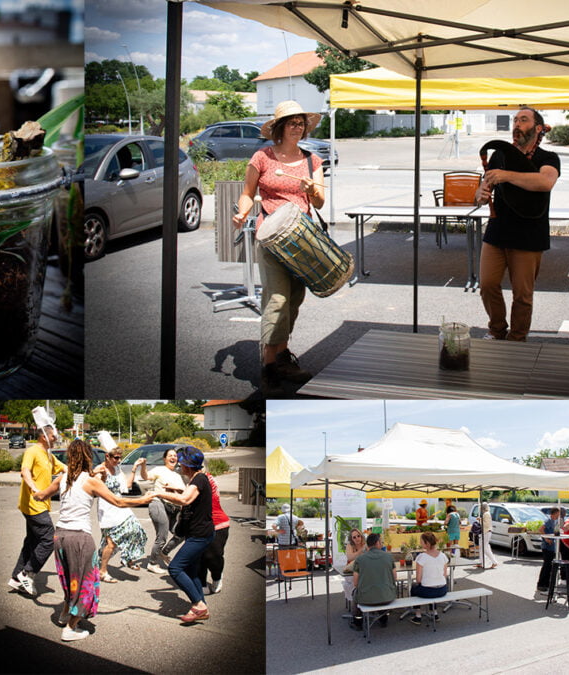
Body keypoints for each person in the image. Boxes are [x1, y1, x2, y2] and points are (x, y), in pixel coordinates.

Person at [231, 100, 325, 393]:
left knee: (294, 300)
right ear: (279, 128)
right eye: (292, 123)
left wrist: (313, 190)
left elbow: (320, 202)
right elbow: (247, 193)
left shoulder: (312, 161)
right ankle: (269, 365)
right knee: (277, 300)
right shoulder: (262, 157)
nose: (298, 128)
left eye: (301, 123)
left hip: (303, 240)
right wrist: (242, 211)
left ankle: (283, 357)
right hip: (271, 237)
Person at [34, 440, 154, 641]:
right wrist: (143, 500)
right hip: (79, 538)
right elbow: (118, 501)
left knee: (70, 579)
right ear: (88, 457)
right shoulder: (90, 481)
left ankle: (65, 613)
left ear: (71, 458)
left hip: (60, 536)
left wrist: (31, 485)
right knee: (85, 583)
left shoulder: (63, 478)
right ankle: (71, 628)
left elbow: (41, 495)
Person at [474, 106, 560, 341]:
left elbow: (545, 181)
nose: (516, 125)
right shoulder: (499, 155)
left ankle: (518, 337)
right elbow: (484, 187)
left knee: (522, 295)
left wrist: (506, 175)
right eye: (515, 120)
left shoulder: (548, 158)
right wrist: (480, 194)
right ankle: (497, 330)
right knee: (488, 285)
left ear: (538, 128)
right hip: (497, 231)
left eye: (523, 120)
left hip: (529, 234)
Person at [155, 446, 216, 623]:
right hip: (197, 534)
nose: (180, 466)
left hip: (200, 535)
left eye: (181, 463)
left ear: (188, 465)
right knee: (192, 571)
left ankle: (198, 604)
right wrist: (176, 489)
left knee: (175, 568)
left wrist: (160, 492)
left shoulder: (199, 480)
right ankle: (201, 607)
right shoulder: (197, 479)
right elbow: (190, 495)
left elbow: (185, 500)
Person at [9, 423, 65, 597]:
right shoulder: (32, 451)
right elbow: (25, 471)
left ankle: (16, 578)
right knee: (49, 539)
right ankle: (27, 573)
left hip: (40, 504)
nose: (56, 439)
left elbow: (65, 468)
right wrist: (33, 488)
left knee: (32, 541)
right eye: (54, 436)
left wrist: (87, 473)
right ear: (44, 436)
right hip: (33, 504)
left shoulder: (48, 455)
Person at [92, 446, 148, 582]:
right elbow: (94, 487)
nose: (119, 460)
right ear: (107, 456)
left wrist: (135, 468)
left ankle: (128, 558)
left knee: (136, 530)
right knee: (111, 542)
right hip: (107, 508)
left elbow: (127, 485)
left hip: (120, 506)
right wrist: (99, 476)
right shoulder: (100, 469)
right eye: (116, 458)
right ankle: (102, 571)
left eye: (119, 457)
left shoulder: (117, 469)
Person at [136, 447, 185, 574]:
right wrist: (143, 466)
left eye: (175, 456)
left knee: (181, 533)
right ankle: (152, 563)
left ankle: (164, 552)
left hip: (174, 508)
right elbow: (145, 476)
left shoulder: (177, 476)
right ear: (164, 459)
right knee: (162, 536)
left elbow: (183, 493)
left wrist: (175, 489)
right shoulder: (160, 470)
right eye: (170, 456)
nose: (173, 458)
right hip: (158, 503)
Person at [350, 533, 396, 631]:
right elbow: (394, 578)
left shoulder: (360, 559)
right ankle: (383, 618)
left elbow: (355, 583)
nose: (382, 544)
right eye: (381, 542)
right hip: (388, 596)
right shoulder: (389, 557)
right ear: (377, 543)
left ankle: (358, 622)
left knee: (355, 593)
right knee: (382, 590)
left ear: (368, 544)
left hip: (365, 599)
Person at [197, 469, 231, 595]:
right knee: (199, 556)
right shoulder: (192, 480)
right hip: (199, 525)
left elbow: (188, 499)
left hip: (217, 524)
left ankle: (217, 577)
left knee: (213, 556)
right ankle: (201, 582)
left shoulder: (205, 479)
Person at [410, 532, 449, 625]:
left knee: (414, 587)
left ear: (426, 543)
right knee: (432, 585)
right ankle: (434, 613)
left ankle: (418, 615)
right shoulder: (443, 556)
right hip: (442, 589)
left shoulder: (421, 557)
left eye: (421, 542)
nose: (420, 543)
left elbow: (418, 579)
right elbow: (445, 574)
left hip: (428, 591)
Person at [339, 528, 367, 606]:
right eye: (354, 537)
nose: (357, 538)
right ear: (351, 539)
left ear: (361, 536)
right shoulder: (349, 545)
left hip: (364, 570)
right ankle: (357, 604)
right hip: (351, 572)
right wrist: (361, 550)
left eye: (358, 536)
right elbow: (350, 557)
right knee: (357, 584)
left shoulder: (365, 544)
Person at [537, 507, 561, 590]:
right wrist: (546, 539)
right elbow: (541, 529)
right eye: (557, 514)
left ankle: (546, 584)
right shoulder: (548, 521)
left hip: (551, 547)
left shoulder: (555, 522)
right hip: (547, 547)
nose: (558, 516)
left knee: (549, 566)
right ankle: (541, 584)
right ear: (553, 514)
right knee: (546, 565)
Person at [475, 502, 497, 569]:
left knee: (484, 548)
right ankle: (481, 562)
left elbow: (486, 524)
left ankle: (494, 562)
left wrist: (480, 520)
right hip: (486, 532)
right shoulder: (486, 514)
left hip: (486, 532)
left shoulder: (486, 514)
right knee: (483, 548)